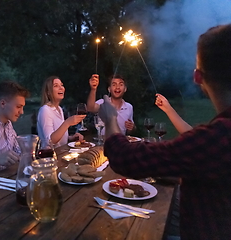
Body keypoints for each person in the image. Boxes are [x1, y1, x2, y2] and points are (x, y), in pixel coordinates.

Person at [99, 24, 231, 240]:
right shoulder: (214, 137)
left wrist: (111, 118)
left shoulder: (219, 137)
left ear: (197, 76)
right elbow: (196, 144)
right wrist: (169, 110)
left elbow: (123, 157)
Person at [37, 76, 85, 148]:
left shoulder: (59, 109)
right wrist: (67, 123)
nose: (61, 88)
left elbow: (58, 134)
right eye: (56, 86)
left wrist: (70, 138)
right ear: (48, 92)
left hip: (62, 153)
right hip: (50, 156)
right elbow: (50, 140)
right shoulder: (45, 110)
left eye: (62, 85)